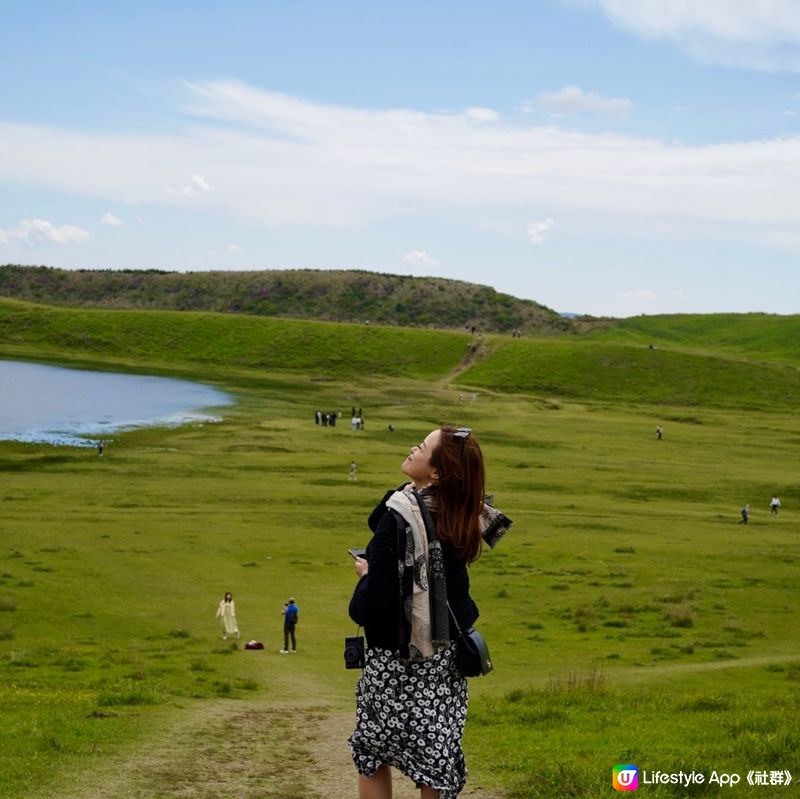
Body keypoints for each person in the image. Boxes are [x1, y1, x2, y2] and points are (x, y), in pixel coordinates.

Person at [348, 425, 511, 799]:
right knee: (435, 761)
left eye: (421, 446)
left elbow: (371, 606)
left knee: (373, 752)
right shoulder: (461, 510)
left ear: (435, 472)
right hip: (445, 661)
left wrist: (366, 575)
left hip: (394, 660)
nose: (412, 448)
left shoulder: (402, 516)